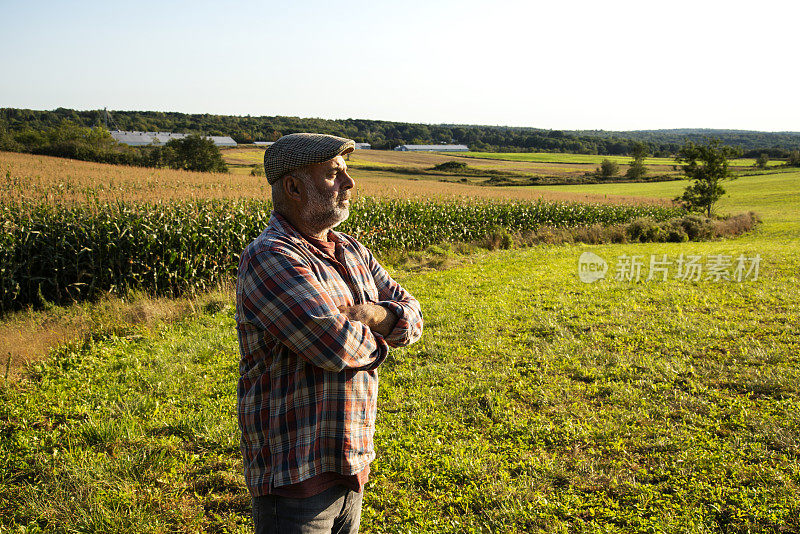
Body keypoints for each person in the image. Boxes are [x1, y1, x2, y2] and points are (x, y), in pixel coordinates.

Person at [235, 133, 424, 533]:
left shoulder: (352, 251)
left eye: (346, 172)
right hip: (294, 480)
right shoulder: (271, 256)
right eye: (333, 174)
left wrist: (371, 314)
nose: (350, 183)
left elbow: (413, 316)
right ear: (293, 187)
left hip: (351, 463)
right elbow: (333, 345)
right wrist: (383, 330)